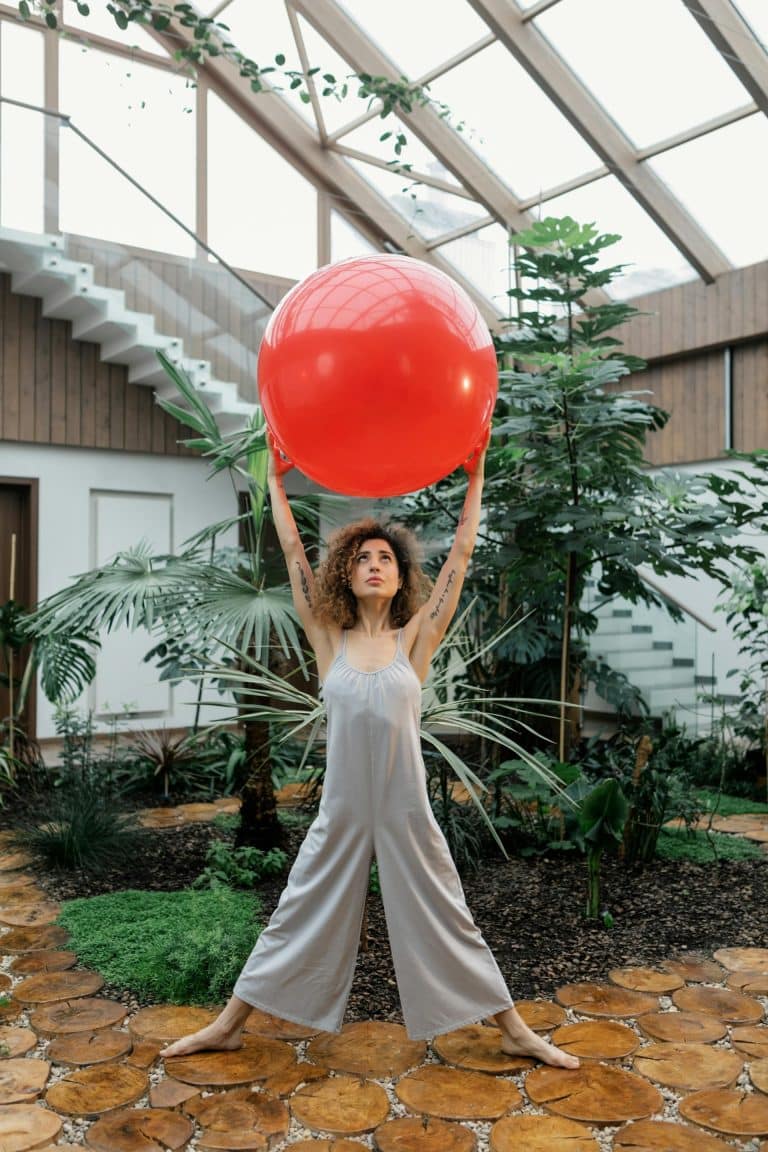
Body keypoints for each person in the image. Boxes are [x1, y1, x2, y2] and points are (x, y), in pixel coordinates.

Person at [161, 432, 578, 1069]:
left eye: (385, 557)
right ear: (347, 577)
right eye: (362, 560)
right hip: (344, 809)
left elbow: (462, 556)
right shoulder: (330, 638)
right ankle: (229, 1024)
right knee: (296, 910)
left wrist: (475, 476)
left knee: (449, 913)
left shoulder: (417, 639)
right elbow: (295, 552)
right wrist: (275, 482)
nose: (375, 564)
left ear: (400, 573)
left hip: (406, 808)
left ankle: (513, 1028)